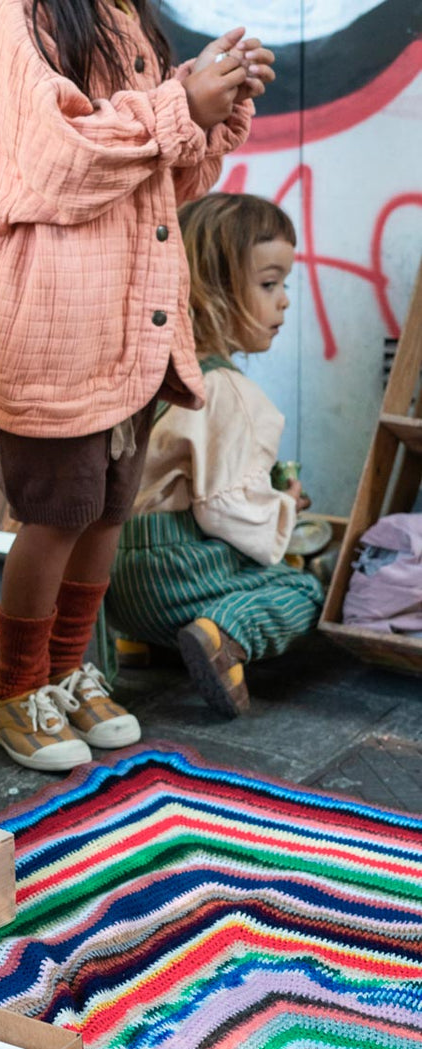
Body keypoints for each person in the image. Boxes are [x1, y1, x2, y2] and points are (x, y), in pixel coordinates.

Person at [0, 0, 275, 770]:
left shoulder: (126, 16)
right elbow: (57, 160)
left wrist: (212, 104)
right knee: (56, 513)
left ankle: (66, 673)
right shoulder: (20, 11)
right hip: (51, 318)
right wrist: (177, 105)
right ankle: (14, 690)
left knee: (104, 513)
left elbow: (168, 177)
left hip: (129, 321)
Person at [104, 192, 325, 716]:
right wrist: (285, 505)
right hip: (173, 573)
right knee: (303, 591)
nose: (285, 300)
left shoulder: (142, 372)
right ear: (212, 291)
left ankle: (137, 646)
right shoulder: (230, 392)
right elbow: (226, 508)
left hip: (111, 581)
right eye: (269, 284)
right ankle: (223, 634)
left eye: (283, 285)